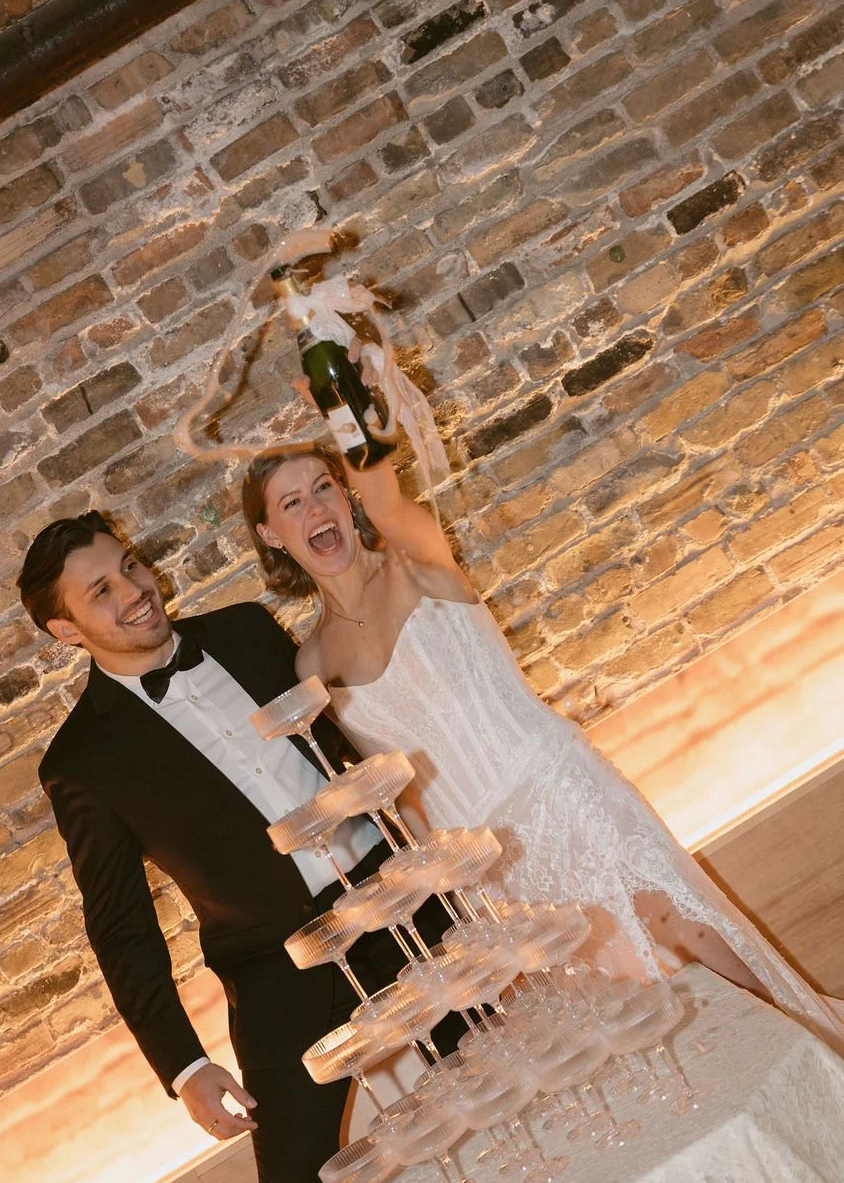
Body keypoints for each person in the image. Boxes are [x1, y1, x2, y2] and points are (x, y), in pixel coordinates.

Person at [242, 447, 844, 1054]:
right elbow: (397, 787)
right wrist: (459, 895)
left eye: (324, 486)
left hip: (552, 781)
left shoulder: (412, 562)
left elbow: (389, 498)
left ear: (346, 496)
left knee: (673, 922)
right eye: (293, 502)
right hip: (475, 850)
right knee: (612, 985)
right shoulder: (311, 662)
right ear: (271, 534)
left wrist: (349, 401)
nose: (316, 506)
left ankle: (808, 1056)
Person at [16, 510, 449, 1183]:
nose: (133, 590)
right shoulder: (82, 763)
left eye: (129, 565)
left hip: (396, 897)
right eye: (100, 592)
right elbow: (121, 926)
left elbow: (348, 743)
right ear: (65, 632)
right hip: (280, 967)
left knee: (510, 1050)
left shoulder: (248, 631)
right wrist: (185, 1067)